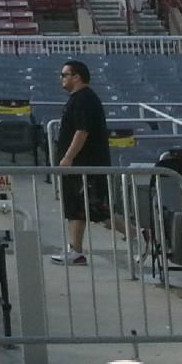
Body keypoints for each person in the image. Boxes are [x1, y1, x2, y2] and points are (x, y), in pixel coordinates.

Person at [52, 59, 110, 266]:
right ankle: (75, 251)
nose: (61, 79)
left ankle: (138, 235)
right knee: (76, 208)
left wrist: (68, 157)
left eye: (64, 74)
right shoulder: (77, 99)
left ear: (76, 77)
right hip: (79, 166)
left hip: (85, 163)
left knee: (96, 209)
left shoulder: (84, 99)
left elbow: (82, 130)